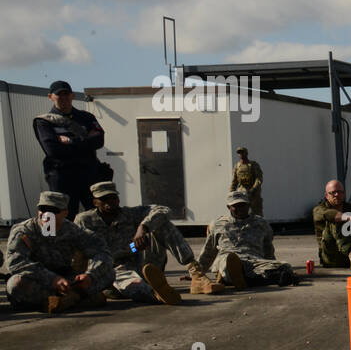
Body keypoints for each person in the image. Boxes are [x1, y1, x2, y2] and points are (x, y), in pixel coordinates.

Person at [73, 180, 222, 304]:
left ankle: (196, 273)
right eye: (104, 199)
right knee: (133, 285)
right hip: (108, 268)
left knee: (161, 223)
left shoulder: (130, 214)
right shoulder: (85, 220)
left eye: (112, 198)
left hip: (136, 257)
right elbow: (79, 249)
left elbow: (163, 210)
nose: (109, 203)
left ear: (118, 199)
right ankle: (156, 293)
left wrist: (142, 228)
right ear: (95, 202)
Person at [3, 191, 113, 313]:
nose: (46, 215)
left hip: (67, 279)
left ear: (65, 213)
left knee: (109, 274)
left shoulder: (72, 230)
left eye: (53, 211)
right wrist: (52, 279)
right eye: (42, 209)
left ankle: (62, 300)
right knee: (15, 284)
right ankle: (76, 298)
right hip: (37, 279)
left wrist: (90, 275)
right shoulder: (24, 230)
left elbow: (102, 252)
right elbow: (15, 262)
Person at [33, 80, 109, 217]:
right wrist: (86, 141)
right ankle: (54, 239)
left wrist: (71, 141)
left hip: (88, 174)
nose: (63, 98)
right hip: (62, 177)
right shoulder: (44, 122)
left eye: (66, 94)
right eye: (59, 95)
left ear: (72, 96)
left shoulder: (87, 117)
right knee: (60, 216)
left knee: (98, 215)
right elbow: (53, 150)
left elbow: (99, 141)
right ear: (50, 97)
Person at [196, 189, 296, 288]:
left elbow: (268, 248)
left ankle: (244, 280)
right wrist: (196, 274)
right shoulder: (218, 224)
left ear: (248, 205)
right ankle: (258, 279)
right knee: (228, 263)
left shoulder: (261, 223)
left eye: (242, 205)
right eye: (235, 206)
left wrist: (272, 265)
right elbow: (208, 251)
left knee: (285, 266)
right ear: (229, 207)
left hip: (254, 261)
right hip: (229, 261)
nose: (240, 208)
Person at [230, 147, 264, 217]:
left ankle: (259, 226)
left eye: (242, 152)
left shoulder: (253, 164)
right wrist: (231, 192)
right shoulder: (237, 166)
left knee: (257, 213)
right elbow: (234, 181)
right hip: (242, 192)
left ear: (246, 153)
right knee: (240, 212)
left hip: (253, 193)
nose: (241, 154)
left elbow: (259, 179)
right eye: (239, 153)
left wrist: (253, 189)